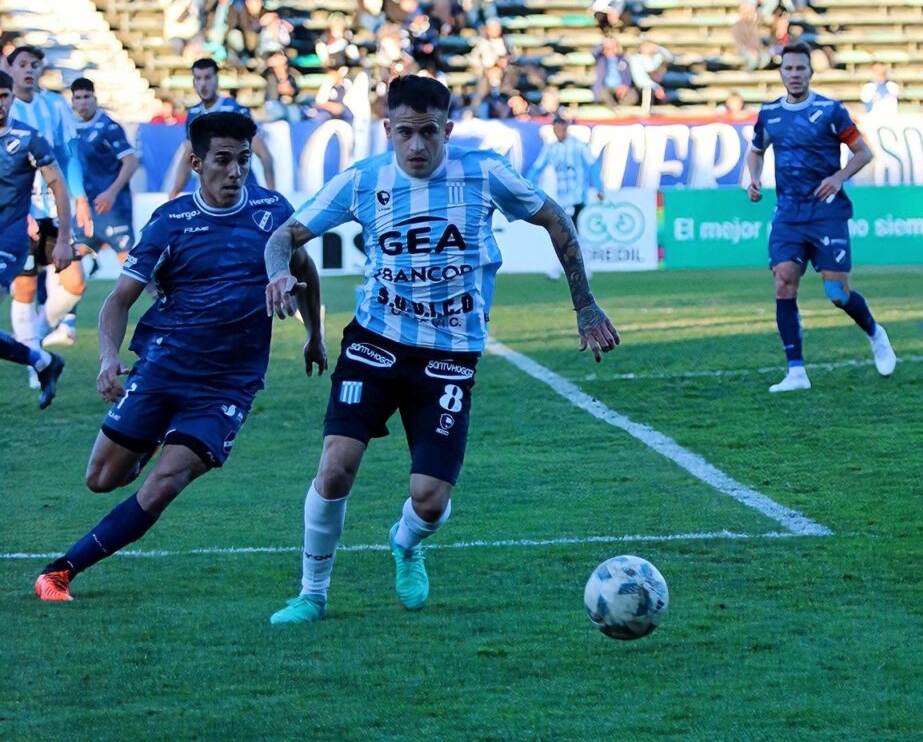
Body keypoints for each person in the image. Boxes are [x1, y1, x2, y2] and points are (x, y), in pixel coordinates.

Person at [264, 75, 620, 624]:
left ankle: (406, 542)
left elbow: (553, 216)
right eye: (404, 132)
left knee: (429, 500)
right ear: (387, 129)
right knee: (336, 466)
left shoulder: (482, 172)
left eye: (428, 132)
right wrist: (278, 275)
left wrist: (585, 304)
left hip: (450, 355)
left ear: (447, 129)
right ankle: (312, 593)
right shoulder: (363, 180)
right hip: (375, 344)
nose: (416, 146)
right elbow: (284, 235)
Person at [33, 112, 325, 602]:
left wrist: (315, 335)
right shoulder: (170, 222)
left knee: (165, 483)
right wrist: (108, 358)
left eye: (244, 160)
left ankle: (60, 571)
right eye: (224, 160)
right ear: (196, 163)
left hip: (227, 385)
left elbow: (304, 267)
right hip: (164, 368)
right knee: (101, 479)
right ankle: (148, 441)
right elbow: (118, 300)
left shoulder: (273, 212)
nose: (236, 172)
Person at [745, 43, 896, 392]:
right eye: (789, 69)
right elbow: (755, 152)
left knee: (837, 294)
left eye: (801, 69)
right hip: (788, 214)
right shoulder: (769, 114)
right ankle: (796, 371)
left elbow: (863, 152)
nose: (795, 75)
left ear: (811, 73)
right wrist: (752, 177)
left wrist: (839, 176)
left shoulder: (831, 111)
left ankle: (875, 333)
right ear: (781, 73)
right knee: (784, 281)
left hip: (827, 214)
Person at [6, 46, 90, 363]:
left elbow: (69, 155)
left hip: (55, 208)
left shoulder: (54, 106)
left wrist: (80, 198)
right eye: (23, 64)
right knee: (25, 287)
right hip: (19, 210)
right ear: (10, 68)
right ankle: (34, 361)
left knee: (75, 282)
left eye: (35, 65)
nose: (29, 70)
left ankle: (32, 340)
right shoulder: (6, 109)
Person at [0, 70, 68, 408]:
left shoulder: (28, 138)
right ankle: (42, 361)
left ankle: (40, 360)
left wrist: (66, 237)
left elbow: (58, 185)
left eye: (4, 96)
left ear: (12, 98)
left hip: (9, 240)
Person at [169, 58, 276, 197]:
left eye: (207, 77)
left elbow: (264, 155)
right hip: (212, 195)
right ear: (193, 82)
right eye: (198, 78)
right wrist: (173, 195)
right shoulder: (193, 114)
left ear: (217, 79)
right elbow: (187, 159)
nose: (203, 84)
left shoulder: (235, 109)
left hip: (243, 191)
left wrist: (273, 194)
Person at [69, 77, 140, 276]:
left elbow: (131, 162)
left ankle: (164, 302)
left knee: (131, 268)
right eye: (78, 98)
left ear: (95, 98)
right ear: (72, 101)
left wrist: (111, 193)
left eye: (87, 97)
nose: (83, 102)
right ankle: (63, 307)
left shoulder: (109, 127)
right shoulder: (73, 129)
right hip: (86, 211)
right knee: (67, 263)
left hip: (112, 208)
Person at [525, 114, 605, 279]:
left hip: (577, 198)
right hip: (561, 199)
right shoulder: (551, 148)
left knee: (567, 232)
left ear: (566, 128)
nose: (558, 131)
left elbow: (593, 165)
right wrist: (525, 185)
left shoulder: (579, 146)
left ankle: (560, 269)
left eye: (561, 127)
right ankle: (580, 269)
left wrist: (599, 187)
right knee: (570, 233)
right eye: (555, 128)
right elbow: (537, 168)